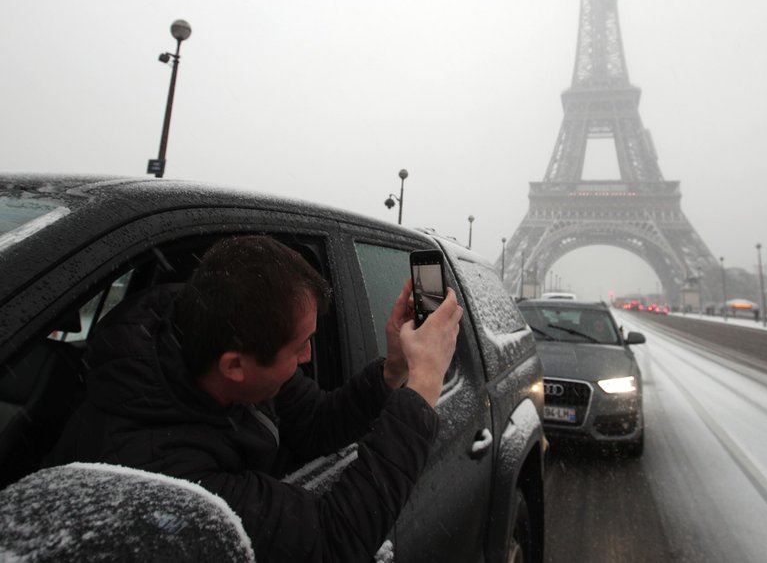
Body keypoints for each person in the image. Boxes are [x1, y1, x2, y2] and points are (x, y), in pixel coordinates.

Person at [47, 235, 463, 562]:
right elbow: (332, 541)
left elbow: (318, 421)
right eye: (300, 345)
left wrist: (393, 371)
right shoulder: (165, 477)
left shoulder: (220, 352)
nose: (307, 358)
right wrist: (425, 384)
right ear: (234, 366)